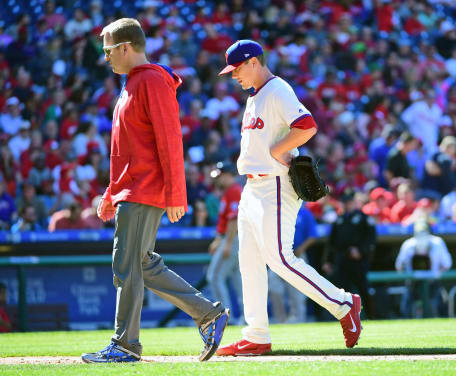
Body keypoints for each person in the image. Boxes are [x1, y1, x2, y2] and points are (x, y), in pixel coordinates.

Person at [82, 18, 229, 364]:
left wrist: (177, 194)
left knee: (127, 265)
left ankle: (125, 345)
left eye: (108, 51)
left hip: (144, 190)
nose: (106, 58)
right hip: (131, 189)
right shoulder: (133, 83)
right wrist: (111, 192)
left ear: (125, 47)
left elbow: (170, 140)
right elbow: (127, 150)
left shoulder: (150, 81)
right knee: (142, 264)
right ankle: (208, 314)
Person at [216, 40, 362, 357]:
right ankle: (256, 334)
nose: (233, 76)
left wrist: (278, 150)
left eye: (237, 68)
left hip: (276, 185)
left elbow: (307, 126)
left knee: (280, 260)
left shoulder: (277, 89)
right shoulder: (255, 95)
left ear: (254, 61)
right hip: (252, 188)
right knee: (249, 263)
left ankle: (344, 303)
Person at [322, 189, 377, 319]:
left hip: (358, 261)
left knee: (364, 289)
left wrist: (361, 251)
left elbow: (371, 239)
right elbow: (332, 243)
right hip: (342, 260)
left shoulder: (364, 218)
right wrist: (328, 261)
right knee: (342, 291)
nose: (347, 205)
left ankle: (372, 316)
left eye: (350, 202)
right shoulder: (339, 219)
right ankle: (345, 318)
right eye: (345, 202)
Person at [268, 203, 318, 323]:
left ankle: (299, 320)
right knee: (274, 286)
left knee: (298, 291)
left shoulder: (304, 213)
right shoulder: (279, 210)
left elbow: (313, 235)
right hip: (279, 255)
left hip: (298, 255)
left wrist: (301, 248)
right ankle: (280, 320)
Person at [206, 162, 243, 324]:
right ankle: (245, 318)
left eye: (220, 175)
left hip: (233, 239)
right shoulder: (230, 191)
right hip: (232, 238)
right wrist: (219, 239)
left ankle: (224, 318)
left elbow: (234, 220)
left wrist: (226, 243)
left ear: (228, 175)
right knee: (237, 279)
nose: (218, 179)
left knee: (214, 276)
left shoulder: (234, 191)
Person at [395, 221, 453, 317]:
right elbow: (399, 267)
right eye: (419, 233)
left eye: (424, 232)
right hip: (413, 284)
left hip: (433, 282)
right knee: (405, 311)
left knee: (440, 308)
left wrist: (437, 273)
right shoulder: (408, 244)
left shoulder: (437, 243)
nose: (422, 236)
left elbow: (447, 264)